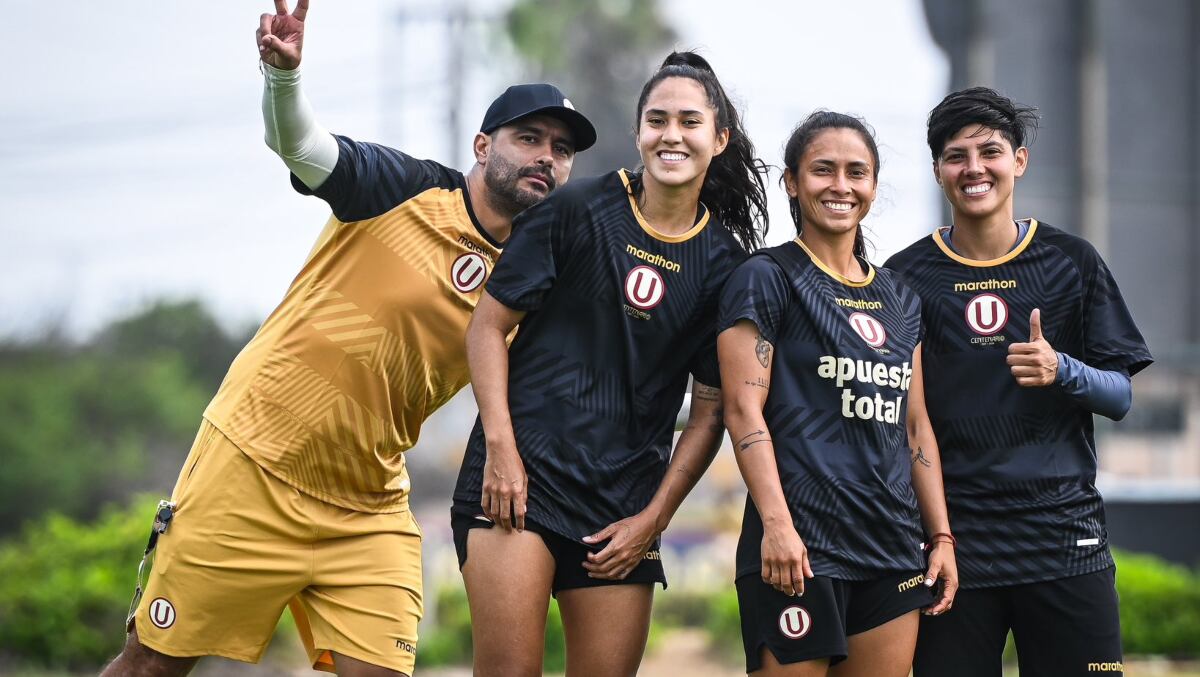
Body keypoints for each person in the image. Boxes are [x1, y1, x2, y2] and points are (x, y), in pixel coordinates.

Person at [101, 2, 595, 676]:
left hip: (368, 503)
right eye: (529, 138)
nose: (546, 158)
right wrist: (282, 79)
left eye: (561, 150)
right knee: (151, 665)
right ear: (484, 147)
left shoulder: (539, 277)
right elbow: (302, 146)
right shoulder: (402, 188)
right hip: (253, 464)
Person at [450, 51, 769, 676]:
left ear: (719, 138)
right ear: (638, 130)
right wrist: (501, 450)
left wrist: (653, 520)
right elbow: (486, 328)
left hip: (622, 506)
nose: (670, 134)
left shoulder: (728, 265)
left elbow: (709, 412)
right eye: (657, 120)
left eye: (689, 121)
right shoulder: (577, 210)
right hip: (519, 483)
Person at [885, 87, 1153, 677]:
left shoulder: (1071, 261)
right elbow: (900, 422)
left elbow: (1122, 396)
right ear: (938, 171)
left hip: (1063, 540)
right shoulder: (903, 278)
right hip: (952, 548)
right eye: (957, 156)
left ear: (1019, 160)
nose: (974, 169)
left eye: (991, 151)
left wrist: (1064, 370)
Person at [718, 111, 958, 677]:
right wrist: (777, 526)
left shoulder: (902, 298)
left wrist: (940, 535)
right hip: (799, 550)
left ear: (873, 186)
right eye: (823, 170)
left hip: (892, 551)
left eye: (857, 172)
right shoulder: (765, 277)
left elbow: (916, 427)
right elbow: (740, 409)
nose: (840, 185)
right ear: (792, 182)